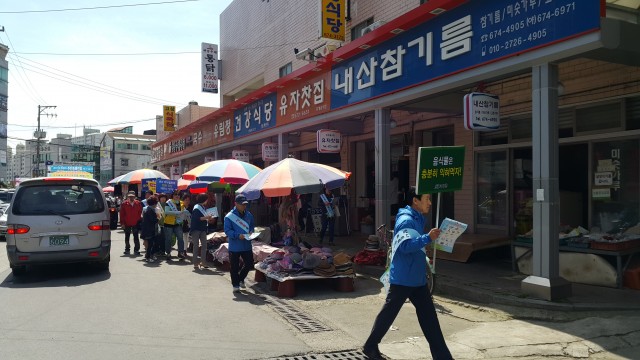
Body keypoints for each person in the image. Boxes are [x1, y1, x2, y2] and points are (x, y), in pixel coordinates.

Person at [362, 187, 453, 360]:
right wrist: (427, 238)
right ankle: (370, 345)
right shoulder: (406, 220)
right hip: (403, 278)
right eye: (427, 198)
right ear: (415, 201)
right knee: (388, 315)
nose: (430, 202)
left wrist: (432, 239)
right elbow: (405, 247)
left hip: (417, 279)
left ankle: (443, 357)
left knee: (430, 320)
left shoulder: (418, 218)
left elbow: (416, 243)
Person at [224, 194, 255, 293]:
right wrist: (238, 235)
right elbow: (227, 231)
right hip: (235, 246)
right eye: (242, 204)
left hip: (246, 245)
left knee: (249, 264)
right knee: (234, 267)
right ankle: (236, 285)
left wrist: (251, 232)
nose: (244, 206)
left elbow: (252, 227)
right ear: (236, 204)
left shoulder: (249, 215)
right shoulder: (229, 216)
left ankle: (241, 278)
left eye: (245, 204)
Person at [190, 194, 214, 270]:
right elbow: (197, 218)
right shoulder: (196, 208)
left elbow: (204, 218)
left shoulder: (203, 207)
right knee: (196, 246)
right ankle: (195, 263)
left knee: (204, 246)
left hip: (203, 229)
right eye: (207, 199)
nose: (207, 201)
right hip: (196, 229)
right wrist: (207, 217)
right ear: (204, 200)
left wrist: (208, 219)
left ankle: (203, 262)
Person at [164, 191, 187, 259]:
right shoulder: (169, 202)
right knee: (168, 239)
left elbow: (183, 212)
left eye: (178, 195)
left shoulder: (182, 203)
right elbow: (166, 212)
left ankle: (180, 253)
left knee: (180, 238)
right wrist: (177, 212)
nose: (177, 196)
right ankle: (168, 253)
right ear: (172, 196)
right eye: (175, 194)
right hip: (168, 223)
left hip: (178, 223)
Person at [119, 191, 143, 255]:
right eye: (130, 196)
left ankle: (136, 250)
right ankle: (127, 249)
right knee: (127, 237)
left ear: (135, 197)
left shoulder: (138, 203)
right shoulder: (124, 204)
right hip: (127, 223)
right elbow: (122, 214)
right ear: (128, 197)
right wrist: (122, 223)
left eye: (132, 196)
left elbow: (140, 212)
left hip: (136, 223)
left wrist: (139, 220)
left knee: (136, 237)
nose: (131, 198)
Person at [140, 196, 161, 263]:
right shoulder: (150, 210)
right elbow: (153, 220)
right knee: (150, 245)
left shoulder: (148, 209)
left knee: (152, 244)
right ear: (154, 203)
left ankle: (150, 255)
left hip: (149, 229)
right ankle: (148, 257)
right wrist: (158, 218)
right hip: (149, 230)